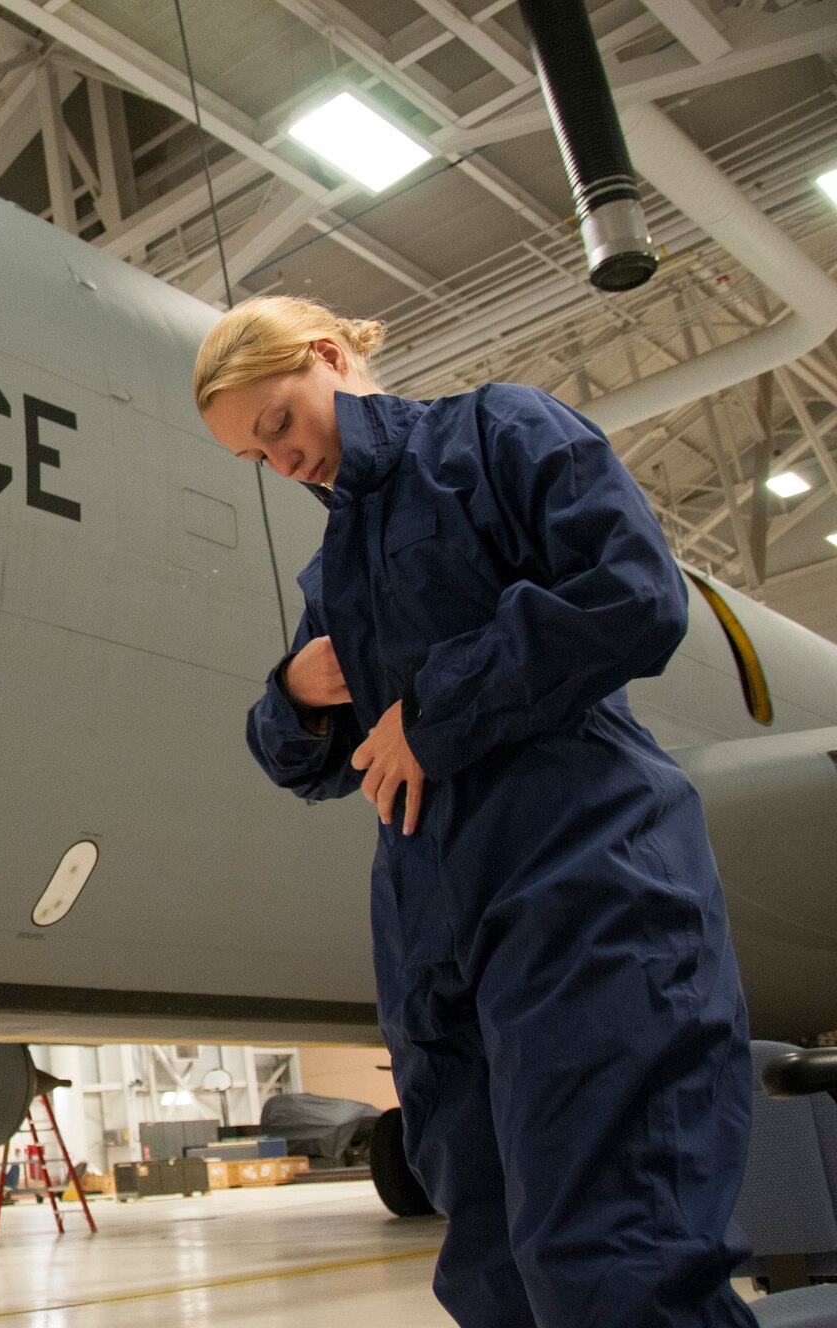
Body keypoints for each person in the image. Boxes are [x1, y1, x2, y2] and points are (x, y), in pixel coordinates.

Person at [194, 295, 757, 1328]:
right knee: (492, 1263)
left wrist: (431, 712)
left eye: (277, 425)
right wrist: (295, 692)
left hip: (578, 879)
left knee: (612, 1254)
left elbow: (632, 591)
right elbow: (309, 765)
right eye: (254, 459)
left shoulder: (496, 433)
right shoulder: (335, 575)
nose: (281, 464)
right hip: (434, 932)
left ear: (326, 356)